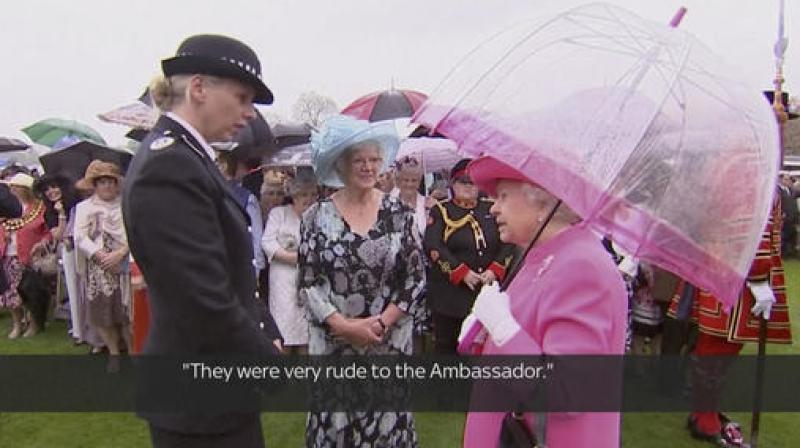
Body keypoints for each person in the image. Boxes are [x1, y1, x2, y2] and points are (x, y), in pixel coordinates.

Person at [122, 34, 282, 448]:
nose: (249, 114)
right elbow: (200, 296)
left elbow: (229, 269)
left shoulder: (188, 157)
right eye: (242, 97)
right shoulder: (171, 165)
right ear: (198, 88)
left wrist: (264, 326)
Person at [460, 156, 627, 447]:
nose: (494, 207)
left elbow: (565, 393)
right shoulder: (544, 255)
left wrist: (502, 328)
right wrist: (482, 335)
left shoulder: (581, 267)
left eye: (503, 196)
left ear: (542, 202)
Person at [299, 114, 424, 447]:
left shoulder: (401, 215)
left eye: (374, 160)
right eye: (359, 160)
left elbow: (415, 281)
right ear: (340, 166)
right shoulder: (314, 217)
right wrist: (343, 325)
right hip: (334, 347)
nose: (369, 167)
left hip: (388, 346)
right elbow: (308, 283)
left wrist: (381, 324)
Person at [666, 192, 791, 448]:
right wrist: (757, 279)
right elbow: (751, 231)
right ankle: (704, 417)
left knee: (718, 349)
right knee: (718, 348)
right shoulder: (752, 179)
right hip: (737, 275)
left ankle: (705, 412)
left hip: (724, 269)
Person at [423, 158, 515, 354]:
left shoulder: (490, 207)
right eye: (463, 181)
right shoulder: (441, 210)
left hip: (488, 291)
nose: (468, 186)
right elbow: (433, 246)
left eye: (472, 182)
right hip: (452, 295)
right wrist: (461, 272)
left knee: (486, 347)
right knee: (447, 350)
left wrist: (495, 269)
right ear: (453, 184)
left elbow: (509, 241)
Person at [73, 161, 131, 366]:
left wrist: (121, 253)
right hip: (99, 269)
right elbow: (79, 237)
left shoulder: (128, 204)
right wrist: (100, 255)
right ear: (95, 186)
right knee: (103, 314)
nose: (107, 186)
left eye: (110, 182)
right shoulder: (84, 208)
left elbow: (136, 232)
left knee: (127, 314)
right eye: (102, 182)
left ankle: (134, 352)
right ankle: (114, 353)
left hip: (126, 265)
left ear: (117, 184)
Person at [262, 170, 318, 354]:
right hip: (283, 283)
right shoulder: (279, 214)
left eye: (312, 194)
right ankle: (283, 380)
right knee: (283, 334)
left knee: (307, 337)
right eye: (303, 194)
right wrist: (295, 258)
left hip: (309, 283)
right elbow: (267, 242)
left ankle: (305, 381)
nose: (308, 199)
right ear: (293, 195)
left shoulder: (319, 215)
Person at [0, 173, 52, 338]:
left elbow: (48, 232)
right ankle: (17, 323)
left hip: (28, 256)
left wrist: (43, 242)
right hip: (7, 254)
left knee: (30, 291)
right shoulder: (5, 207)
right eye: (11, 187)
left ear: (25, 189)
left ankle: (34, 323)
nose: (12, 190)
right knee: (10, 293)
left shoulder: (39, 208)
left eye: (16, 187)